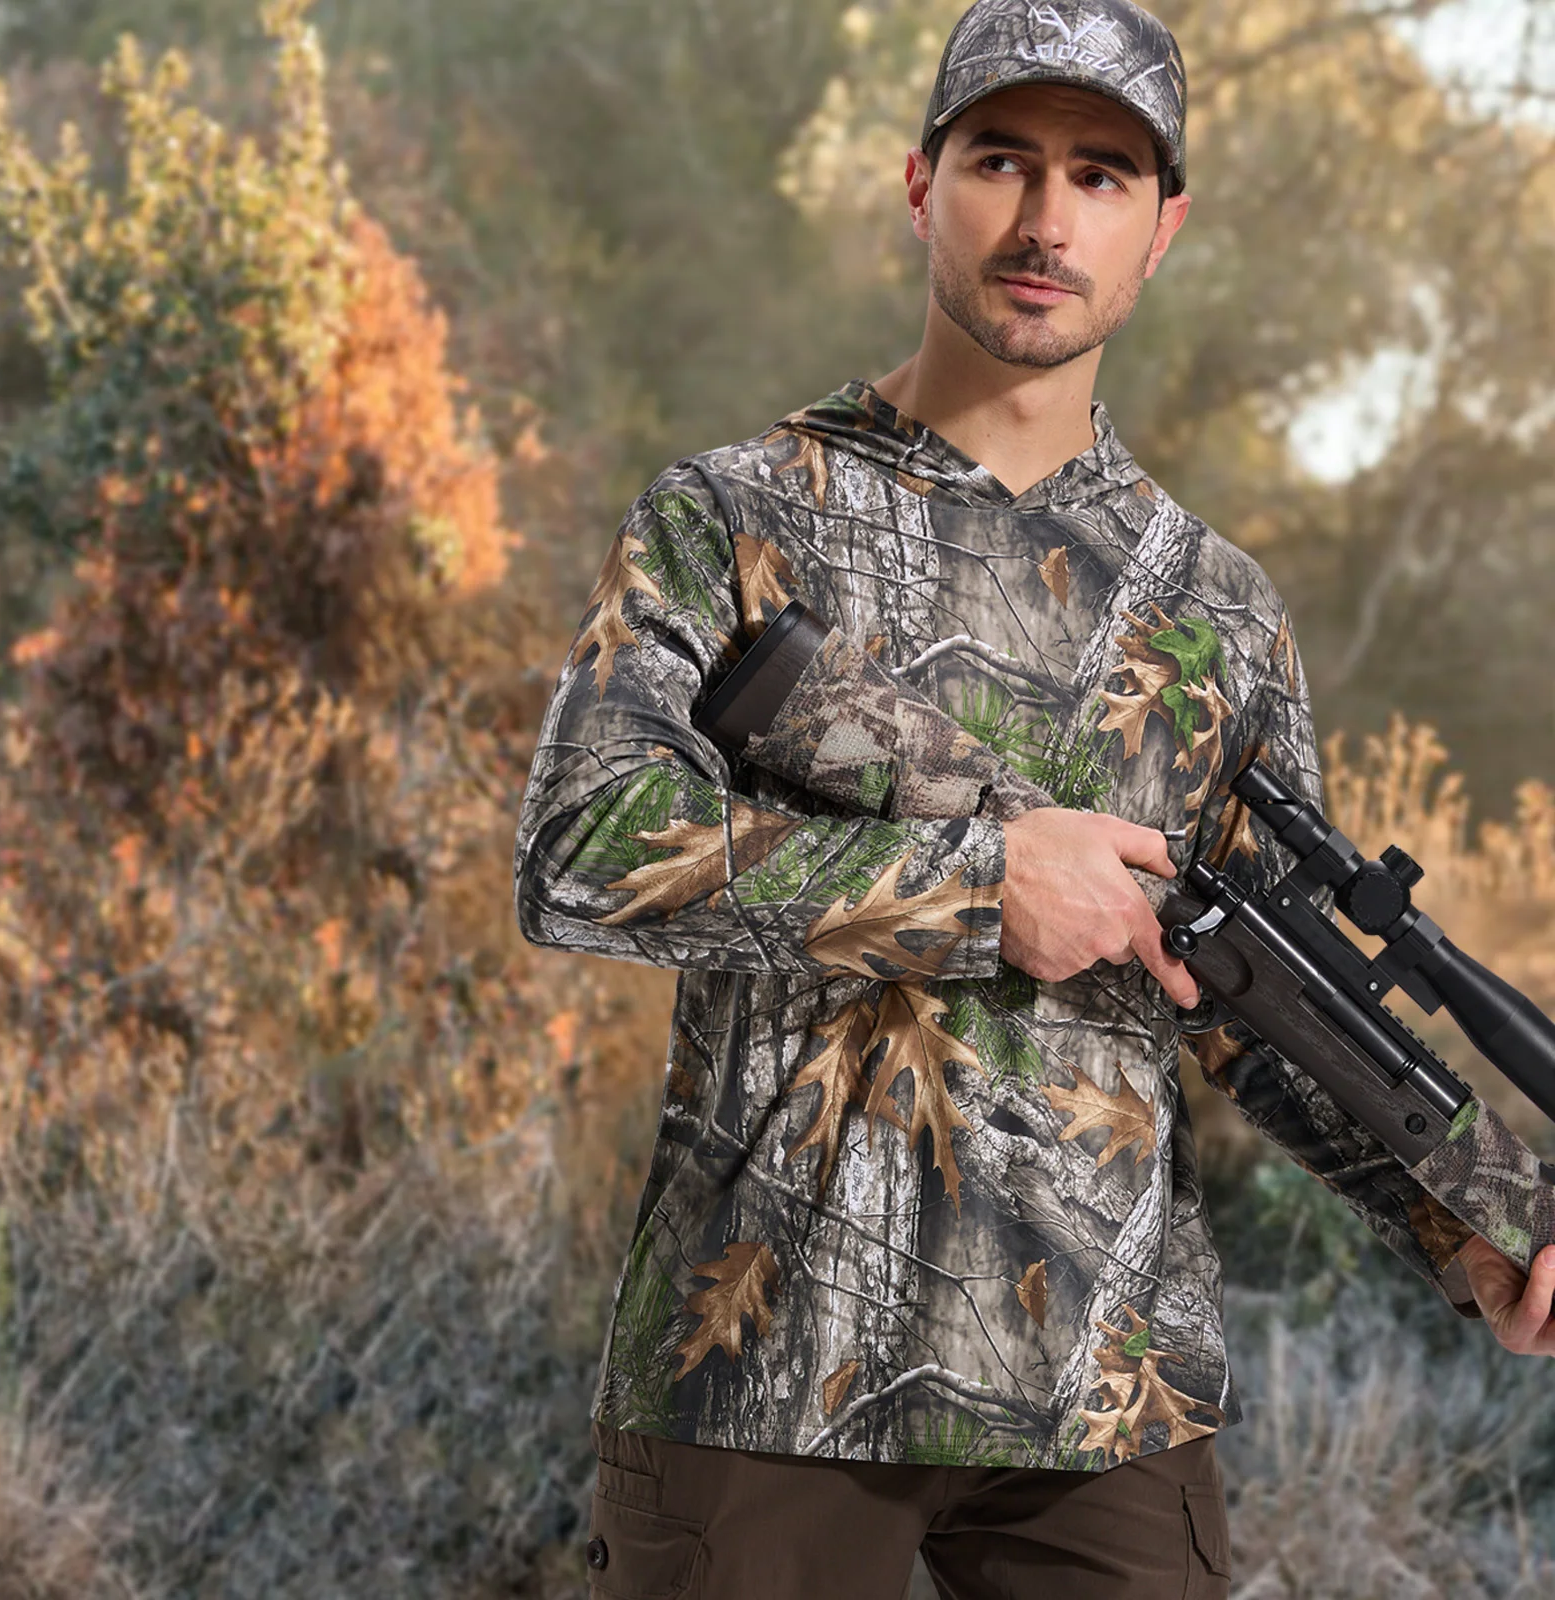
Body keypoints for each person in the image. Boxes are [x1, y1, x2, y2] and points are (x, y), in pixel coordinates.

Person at [512, 2, 1553, 1594]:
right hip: (762, 1372)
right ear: (921, 185)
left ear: (1163, 228)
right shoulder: (730, 513)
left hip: (1108, 1399)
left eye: (1101, 176)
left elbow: (1255, 1013)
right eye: (1003, 160)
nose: (1047, 220)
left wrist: (1462, 1230)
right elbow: (582, 853)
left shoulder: (1218, 610)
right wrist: (985, 888)